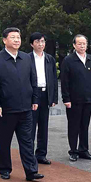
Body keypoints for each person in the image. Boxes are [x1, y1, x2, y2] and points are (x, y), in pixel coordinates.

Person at [0, 27, 43, 181]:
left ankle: (31, 171)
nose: (17, 40)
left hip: (26, 108)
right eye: (13, 37)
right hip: (6, 109)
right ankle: (4, 169)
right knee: (5, 141)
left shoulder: (26, 58)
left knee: (27, 141)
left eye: (18, 37)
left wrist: (35, 100)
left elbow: (34, 80)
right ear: (4, 40)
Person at [60, 34, 91, 162]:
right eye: (79, 44)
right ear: (74, 45)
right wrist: (66, 99)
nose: (82, 46)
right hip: (73, 100)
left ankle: (83, 150)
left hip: (88, 99)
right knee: (73, 126)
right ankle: (73, 151)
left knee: (84, 126)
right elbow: (64, 81)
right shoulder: (68, 60)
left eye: (84, 43)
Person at [29, 32, 58, 165]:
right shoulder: (27, 58)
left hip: (45, 94)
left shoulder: (49, 59)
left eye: (42, 41)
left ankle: (41, 154)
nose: (40, 44)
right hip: (32, 95)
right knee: (30, 127)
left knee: (43, 126)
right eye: (37, 42)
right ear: (32, 44)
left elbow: (54, 79)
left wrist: (54, 98)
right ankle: (29, 155)